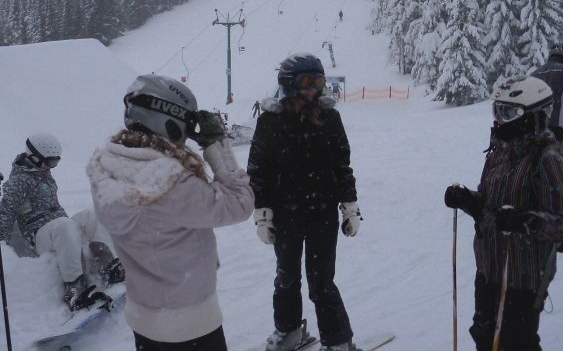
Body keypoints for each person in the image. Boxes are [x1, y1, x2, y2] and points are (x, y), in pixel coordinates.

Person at [87, 74, 254, 351]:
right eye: (188, 124)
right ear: (168, 119)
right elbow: (240, 203)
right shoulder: (169, 183)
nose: (188, 134)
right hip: (189, 325)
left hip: (145, 319)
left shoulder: (109, 167)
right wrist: (216, 145)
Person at [444, 77, 563, 351]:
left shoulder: (547, 159)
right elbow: (488, 206)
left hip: (522, 277)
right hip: (489, 268)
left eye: (508, 112)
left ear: (532, 116)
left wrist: (524, 222)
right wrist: (468, 200)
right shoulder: (498, 152)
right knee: (484, 336)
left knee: (516, 343)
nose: (500, 120)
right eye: (497, 111)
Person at [247, 53, 361, 351]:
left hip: (321, 213)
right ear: (288, 84)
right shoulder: (270, 121)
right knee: (286, 277)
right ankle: (289, 331)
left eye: (319, 82)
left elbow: (342, 166)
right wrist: (263, 214)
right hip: (286, 215)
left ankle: (338, 340)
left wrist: (349, 207)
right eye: (306, 82)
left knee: (321, 282)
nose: (313, 89)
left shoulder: (330, 118)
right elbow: (258, 171)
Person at [0, 133, 124, 311]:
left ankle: (109, 265)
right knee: (64, 225)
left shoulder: (44, 174)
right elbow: (5, 215)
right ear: (33, 158)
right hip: (38, 236)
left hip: (61, 228)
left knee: (92, 214)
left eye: (56, 162)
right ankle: (74, 288)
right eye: (50, 162)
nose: (52, 167)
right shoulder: (17, 183)